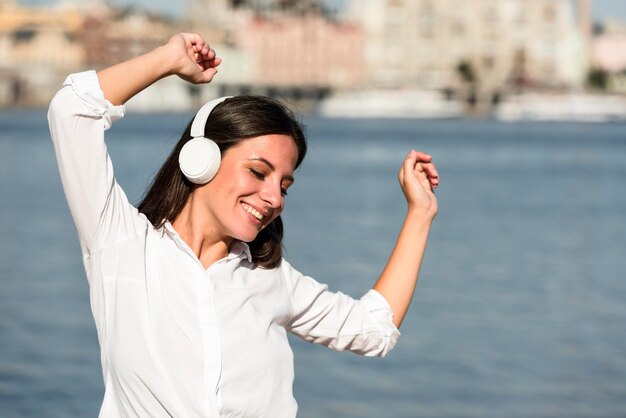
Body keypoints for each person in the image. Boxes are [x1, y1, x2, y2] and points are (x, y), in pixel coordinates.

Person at [48, 33, 439, 417]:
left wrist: (420, 213)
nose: (275, 198)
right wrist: (168, 59)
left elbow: (373, 329)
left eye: (284, 185)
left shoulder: (271, 279)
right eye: (258, 172)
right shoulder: (121, 243)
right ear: (201, 157)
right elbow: (72, 111)